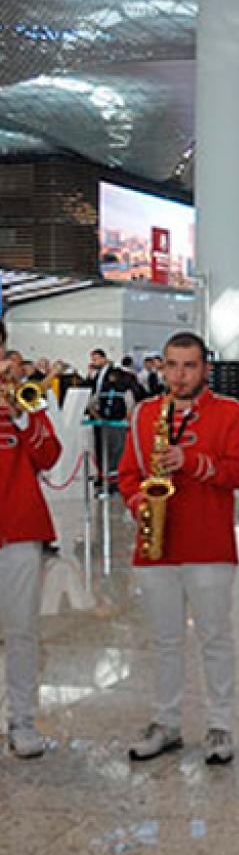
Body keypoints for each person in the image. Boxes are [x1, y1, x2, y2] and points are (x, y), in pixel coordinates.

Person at [118, 332, 239, 764]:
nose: (179, 376)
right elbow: (126, 474)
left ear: (205, 369)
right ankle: (167, 722)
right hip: (156, 544)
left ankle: (220, 726)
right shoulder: (144, 414)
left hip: (209, 544)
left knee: (215, 638)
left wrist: (191, 462)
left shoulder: (230, 413)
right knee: (164, 640)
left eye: (189, 366)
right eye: (171, 366)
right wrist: (141, 501)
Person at [0, 319, 61, 758]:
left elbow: (50, 455)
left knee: (21, 629)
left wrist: (23, 415)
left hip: (20, 527)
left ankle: (22, 719)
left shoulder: (24, 399)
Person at [86, 348, 144, 492]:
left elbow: (133, 396)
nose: (93, 362)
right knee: (101, 448)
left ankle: (115, 480)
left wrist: (129, 415)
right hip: (100, 420)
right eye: (92, 359)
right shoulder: (96, 376)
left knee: (117, 449)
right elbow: (93, 395)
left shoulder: (121, 376)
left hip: (117, 419)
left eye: (96, 359)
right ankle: (103, 477)